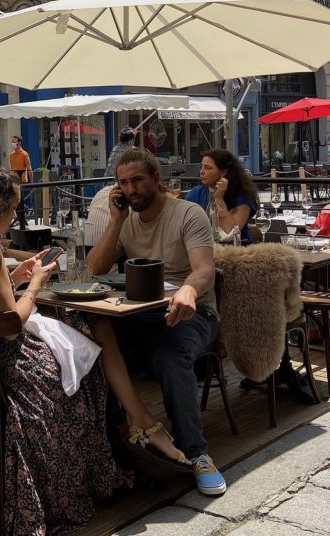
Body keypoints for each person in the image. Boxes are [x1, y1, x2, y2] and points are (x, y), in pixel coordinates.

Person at [0, 163, 188, 536]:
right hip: (4, 363)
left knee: (87, 343)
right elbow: (10, 325)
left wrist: (14, 277)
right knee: (88, 365)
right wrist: (36, 283)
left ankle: (120, 451)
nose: (12, 219)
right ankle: (96, 474)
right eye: (12, 211)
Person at [87, 148, 227, 496]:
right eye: (123, 183)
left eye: (137, 180)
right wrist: (116, 220)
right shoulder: (127, 219)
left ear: (156, 180)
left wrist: (188, 291)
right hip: (141, 313)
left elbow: (205, 270)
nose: (131, 189)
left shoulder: (188, 214)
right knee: (87, 344)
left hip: (193, 312)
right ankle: (114, 445)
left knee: (169, 356)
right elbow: (95, 267)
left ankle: (196, 454)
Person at [184, 149, 259, 242]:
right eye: (201, 167)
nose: (201, 172)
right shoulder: (195, 193)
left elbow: (231, 233)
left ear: (223, 172)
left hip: (235, 250)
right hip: (201, 246)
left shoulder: (242, 196)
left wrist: (219, 199)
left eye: (207, 168)